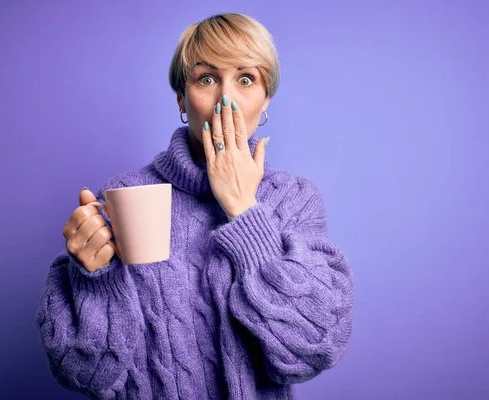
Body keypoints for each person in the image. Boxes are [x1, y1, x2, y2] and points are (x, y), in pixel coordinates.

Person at [36, 12, 354, 400]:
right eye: (206, 79)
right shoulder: (124, 195)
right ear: (182, 100)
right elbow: (85, 373)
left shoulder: (294, 201)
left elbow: (312, 349)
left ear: (266, 98)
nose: (226, 100)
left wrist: (244, 210)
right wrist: (94, 279)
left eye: (246, 79)